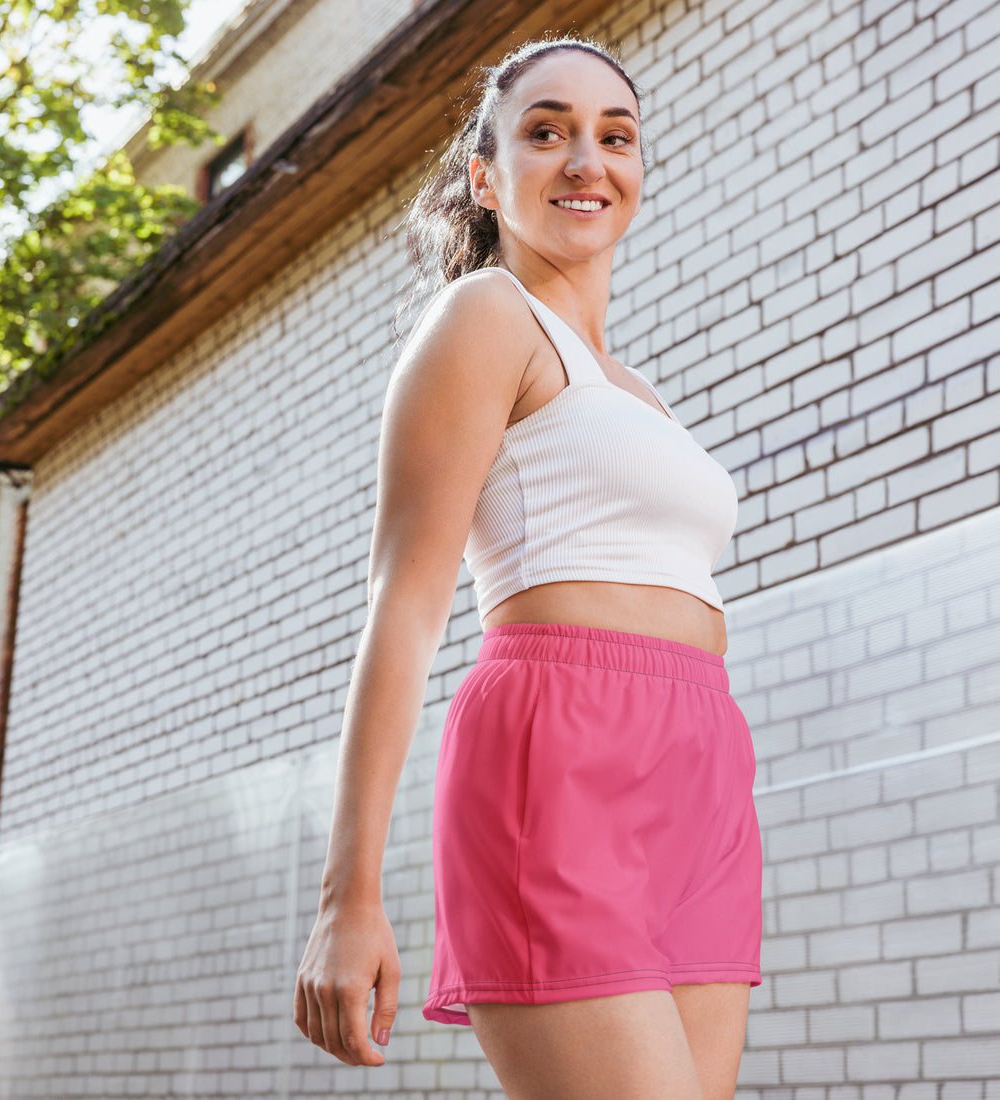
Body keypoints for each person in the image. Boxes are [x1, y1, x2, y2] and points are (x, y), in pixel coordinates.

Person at [293, 35, 762, 1100]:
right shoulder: (484, 317)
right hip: (557, 745)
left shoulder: (637, 388)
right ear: (484, 175)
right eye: (545, 132)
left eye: (614, 136)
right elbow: (403, 604)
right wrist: (346, 894)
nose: (584, 160)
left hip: (699, 765)